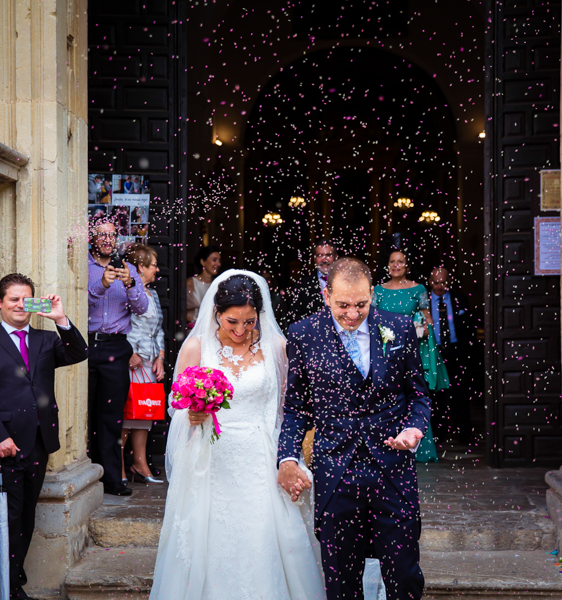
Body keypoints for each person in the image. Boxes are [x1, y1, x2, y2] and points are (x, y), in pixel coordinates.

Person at [150, 272, 325, 600]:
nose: (241, 331)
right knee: (215, 540)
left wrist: (292, 458)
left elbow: (292, 408)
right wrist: (193, 415)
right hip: (212, 460)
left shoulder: (275, 346)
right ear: (216, 313)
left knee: (264, 539)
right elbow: (177, 406)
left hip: (262, 456)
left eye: (249, 321)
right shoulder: (196, 347)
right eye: (232, 321)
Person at [278, 257, 430, 600]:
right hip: (336, 473)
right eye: (343, 304)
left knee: (405, 575)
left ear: (372, 294)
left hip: (392, 470)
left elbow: (418, 395)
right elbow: (295, 408)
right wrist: (287, 458)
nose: (351, 313)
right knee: (341, 581)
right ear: (326, 294)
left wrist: (413, 428)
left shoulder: (400, 327)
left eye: (361, 304)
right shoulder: (303, 333)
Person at [0, 272, 88, 600]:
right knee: (3, 520)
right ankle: (0, 591)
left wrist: (61, 318)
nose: (20, 305)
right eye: (14, 299)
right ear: (0, 303)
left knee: (27, 518)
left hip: (37, 442)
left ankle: (13, 584)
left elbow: (79, 352)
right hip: (3, 446)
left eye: (26, 299)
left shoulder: (47, 341)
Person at [88, 217, 149, 496]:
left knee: (111, 417)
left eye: (111, 236)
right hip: (86, 347)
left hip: (115, 348)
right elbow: (80, 301)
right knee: (84, 412)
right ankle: (85, 475)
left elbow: (142, 308)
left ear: (117, 240)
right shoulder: (81, 267)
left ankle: (112, 479)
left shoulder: (130, 269)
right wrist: (101, 283)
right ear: (92, 237)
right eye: (101, 235)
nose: (107, 240)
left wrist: (130, 285)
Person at [372, 248, 443, 463]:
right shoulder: (378, 290)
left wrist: (421, 328)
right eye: (392, 262)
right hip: (384, 351)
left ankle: (419, 445)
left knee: (414, 394)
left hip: (411, 351)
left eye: (400, 262)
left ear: (407, 266)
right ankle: (387, 443)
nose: (395, 265)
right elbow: (372, 321)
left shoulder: (419, 289)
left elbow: (428, 319)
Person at [122, 244, 165, 485]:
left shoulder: (154, 294)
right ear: (140, 267)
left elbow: (158, 329)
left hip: (149, 363)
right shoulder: (125, 291)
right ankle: (118, 468)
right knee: (126, 415)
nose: (157, 270)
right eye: (153, 265)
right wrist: (129, 352)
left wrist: (160, 357)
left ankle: (141, 464)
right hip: (131, 362)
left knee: (144, 414)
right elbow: (121, 322)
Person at [429, 266, 475, 444]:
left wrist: (467, 352)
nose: (440, 286)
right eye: (436, 282)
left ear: (450, 281)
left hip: (456, 350)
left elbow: (469, 328)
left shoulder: (459, 299)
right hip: (435, 351)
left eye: (444, 282)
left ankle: (464, 434)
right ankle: (439, 433)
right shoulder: (424, 300)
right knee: (437, 393)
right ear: (430, 281)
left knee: (459, 392)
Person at [285, 239, 337, 328]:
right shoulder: (301, 285)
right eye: (320, 255)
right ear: (314, 259)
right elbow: (293, 317)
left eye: (328, 255)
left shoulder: (345, 282)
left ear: (336, 257)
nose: (324, 260)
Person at [186, 245, 221, 325]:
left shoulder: (218, 285)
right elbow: (180, 310)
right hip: (193, 329)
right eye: (214, 260)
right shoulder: (190, 283)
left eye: (219, 261)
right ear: (203, 262)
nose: (218, 264)